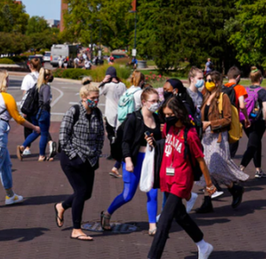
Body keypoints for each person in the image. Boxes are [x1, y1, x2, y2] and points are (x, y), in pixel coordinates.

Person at [146, 96, 215, 259]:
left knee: (163, 222)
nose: (167, 118)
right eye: (165, 115)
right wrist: (153, 143)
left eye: (170, 114)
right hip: (166, 179)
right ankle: (203, 245)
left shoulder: (190, 134)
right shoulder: (167, 128)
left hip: (181, 181)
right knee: (180, 215)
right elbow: (165, 145)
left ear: (178, 113)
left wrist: (209, 184)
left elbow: (200, 159)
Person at [0, 70, 39, 210]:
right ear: (3, 81)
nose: (9, 81)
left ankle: (10, 195)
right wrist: (34, 127)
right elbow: (18, 118)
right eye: (7, 79)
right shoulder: (6, 97)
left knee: (5, 164)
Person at [101, 88, 161, 235]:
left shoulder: (157, 118)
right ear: (144, 102)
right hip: (135, 159)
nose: (156, 104)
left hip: (150, 160)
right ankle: (107, 213)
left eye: (157, 101)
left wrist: (154, 142)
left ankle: (152, 225)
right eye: (153, 101)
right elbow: (125, 142)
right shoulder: (134, 118)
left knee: (152, 193)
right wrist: (128, 161)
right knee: (128, 195)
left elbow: (159, 139)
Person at [54, 78, 104, 241]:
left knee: (86, 193)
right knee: (81, 191)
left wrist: (96, 153)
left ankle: (62, 206)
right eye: (93, 97)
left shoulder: (97, 113)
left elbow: (100, 137)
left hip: (90, 160)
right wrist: (73, 155)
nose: (95, 100)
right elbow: (63, 137)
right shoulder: (73, 111)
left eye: (97, 97)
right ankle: (76, 229)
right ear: (84, 97)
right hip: (72, 159)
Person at [196, 71, 248, 213]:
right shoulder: (205, 96)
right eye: (206, 80)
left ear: (218, 82)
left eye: (210, 80)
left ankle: (233, 187)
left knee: (214, 167)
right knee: (205, 169)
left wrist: (210, 124)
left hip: (218, 136)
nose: (207, 83)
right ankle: (208, 202)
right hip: (206, 138)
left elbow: (227, 119)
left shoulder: (222, 97)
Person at [239, 67, 266, 178]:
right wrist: (265, 121)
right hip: (257, 121)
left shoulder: (245, 90)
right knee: (252, 145)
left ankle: (258, 169)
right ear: (260, 78)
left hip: (245, 120)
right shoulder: (263, 92)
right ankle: (241, 168)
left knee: (256, 142)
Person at [18, 68, 55, 161]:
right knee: (44, 134)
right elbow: (46, 101)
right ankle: (41, 155)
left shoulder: (37, 85)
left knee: (37, 131)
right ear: (46, 77)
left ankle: (23, 146)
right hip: (43, 112)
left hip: (35, 112)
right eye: (50, 75)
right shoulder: (46, 87)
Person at [99, 67, 127, 177]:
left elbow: (99, 92)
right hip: (120, 112)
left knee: (110, 133)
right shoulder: (122, 85)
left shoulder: (107, 86)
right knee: (118, 132)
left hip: (110, 112)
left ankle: (113, 153)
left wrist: (103, 81)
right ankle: (116, 152)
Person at [20, 58, 42, 157]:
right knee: (42, 126)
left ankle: (27, 147)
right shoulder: (41, 77)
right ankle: (50, 143)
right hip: (40, 105)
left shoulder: (27, 77)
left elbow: (25, 92)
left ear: (30, 66)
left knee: (28, 126)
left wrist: (24, 107)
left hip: (30, 105)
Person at [187, 67, 204, 137]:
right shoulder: (186, 94)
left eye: (202, 78)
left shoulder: (201, 95)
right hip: (190, 129)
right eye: (199, 78)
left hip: (199, 128)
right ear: (192, 79)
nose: (202, 80)